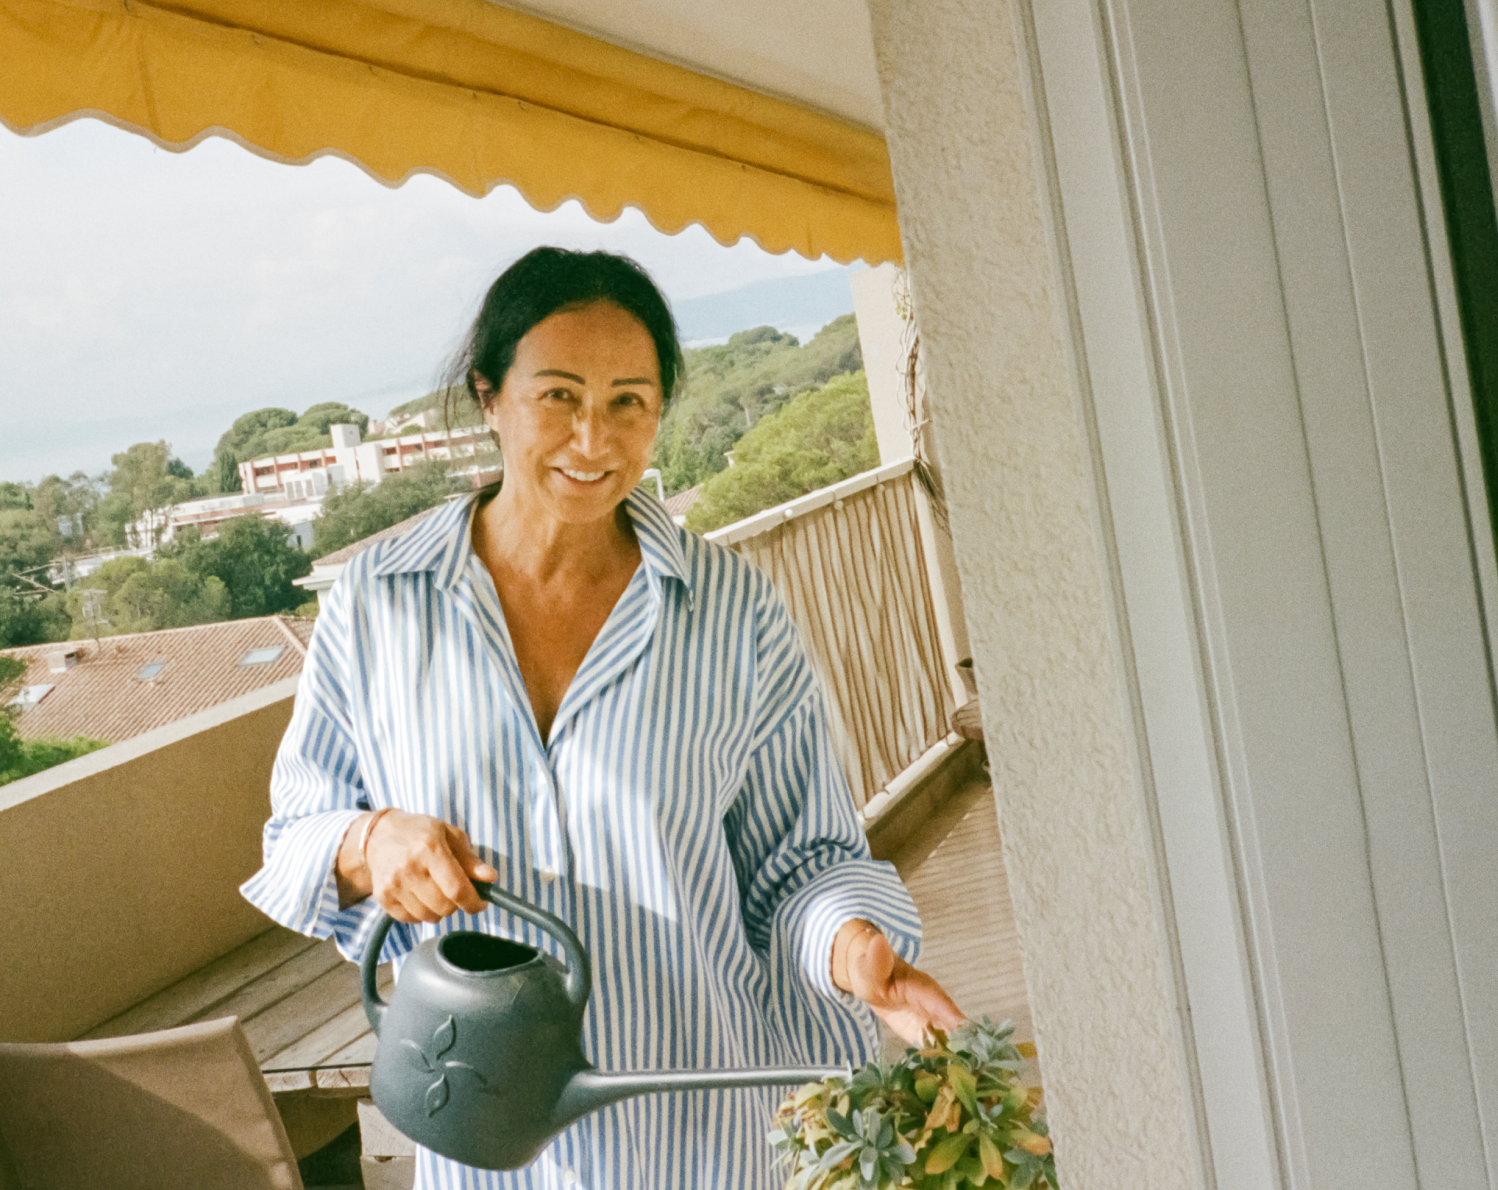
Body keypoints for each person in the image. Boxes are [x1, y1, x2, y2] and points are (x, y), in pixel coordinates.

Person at [240, 247, 963, 1188]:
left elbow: (805, 861)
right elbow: (293, 840)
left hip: (711, 1136)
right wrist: (370, 842)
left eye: (629, 400)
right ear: (489, 395)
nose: (594, 438)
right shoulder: (377, 602)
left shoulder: (730, 609)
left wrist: (855, 947)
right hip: (489, 1140)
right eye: (558, 396)